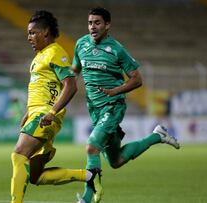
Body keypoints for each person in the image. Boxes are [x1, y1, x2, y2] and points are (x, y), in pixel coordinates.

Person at [72, 7, 181, 203]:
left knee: (91, 147)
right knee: (116, 161)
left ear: (107, 25)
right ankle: (157, 136)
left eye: (97, 23)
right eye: (90, 23)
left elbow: (137, 80)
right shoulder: (81, 44)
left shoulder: (116, 49)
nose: (92, 27)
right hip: (94, 109)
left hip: (113, 106)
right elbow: (74, 71)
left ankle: (87, 199)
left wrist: (115, 91)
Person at [10, 10, 100, 203]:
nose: (29, 37)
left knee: (19, 155)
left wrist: (51, 112)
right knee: (35, 177)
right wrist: (28, 112)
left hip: (44, 116)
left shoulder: (55, 53)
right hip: (37, 114)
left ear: (46, 32)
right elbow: (44, 88)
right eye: (28, 33)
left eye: (33, 32)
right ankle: (89, 176)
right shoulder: (39, 57)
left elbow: (71, 85)